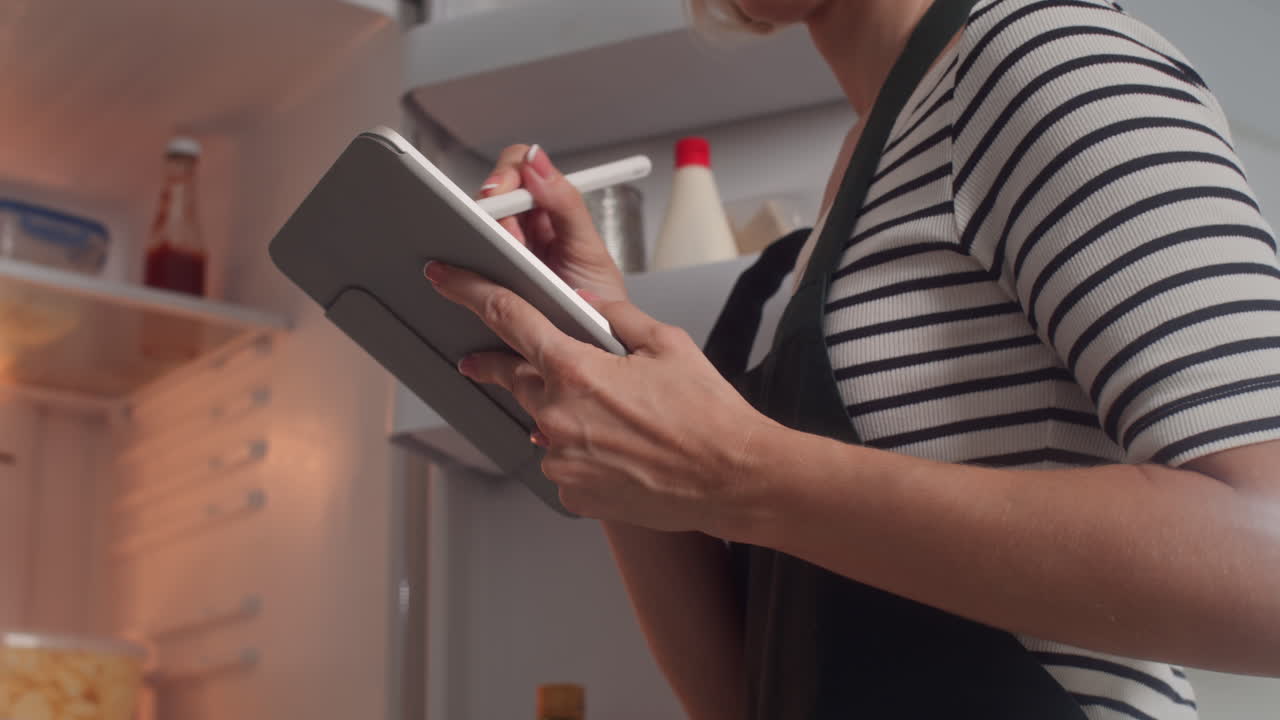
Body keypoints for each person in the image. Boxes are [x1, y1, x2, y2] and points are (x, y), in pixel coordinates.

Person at [424, 0, 1280, 717]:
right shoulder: (790, 270)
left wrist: (738, 469)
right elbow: (743, 700)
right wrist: (592, 346)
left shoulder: (1049, 59)